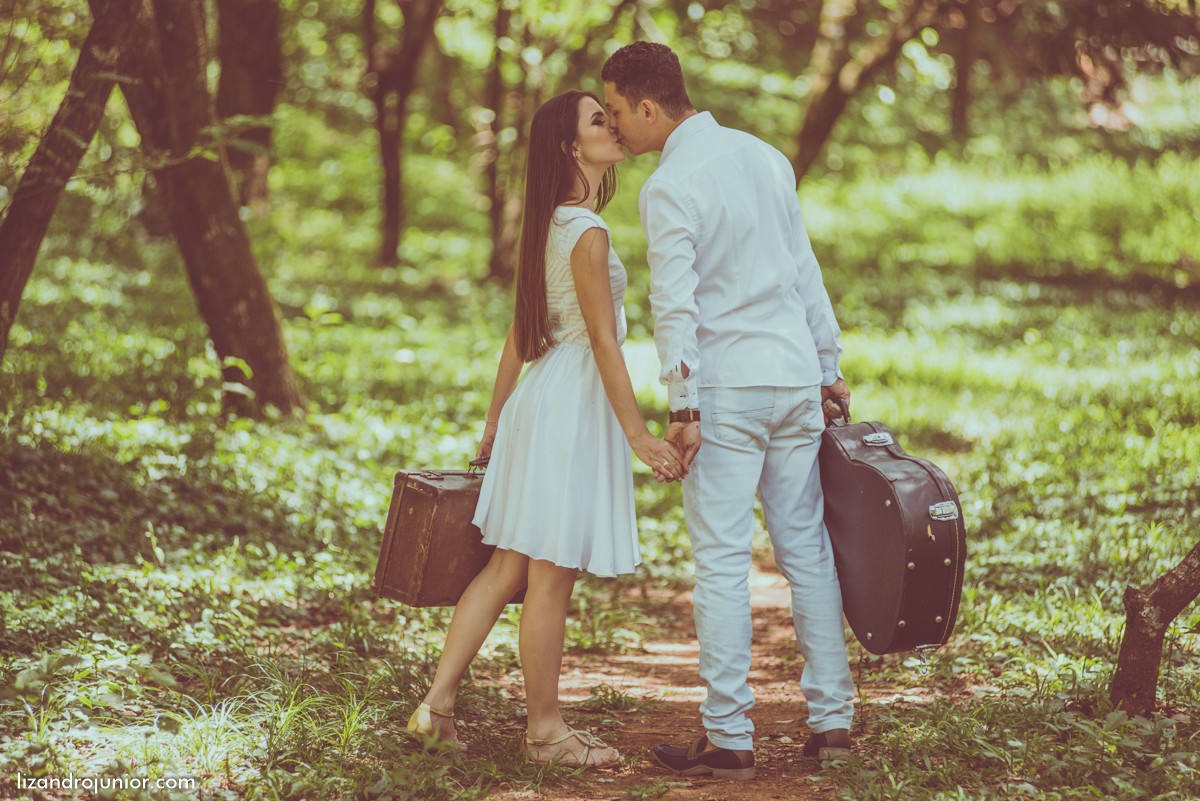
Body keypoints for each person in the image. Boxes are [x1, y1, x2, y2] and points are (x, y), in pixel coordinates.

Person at [405, 89, 684, 768]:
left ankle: (435, 705)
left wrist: (498, 418)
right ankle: (546, 732)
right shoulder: (586, 230)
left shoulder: (550, 223)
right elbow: (605, 343)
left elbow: (518, 338)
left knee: (507, 568)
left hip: (542, 399)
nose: (611, 126)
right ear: (570, 146)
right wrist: (640, 435)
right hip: (569, 406)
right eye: (598, 120)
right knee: (547, 577)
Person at [601, 42, 857, 780]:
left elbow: (673, 306)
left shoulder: (670, 184)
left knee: (720, 560)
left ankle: (729, 735)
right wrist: (828, 365)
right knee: (805, 547)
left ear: (649, 108)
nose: (614, 128)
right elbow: (803, 267)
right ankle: (832, 720)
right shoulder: (765, 157)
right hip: (790, 376)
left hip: (727, 390)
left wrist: (681, 405)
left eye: (617, 112)